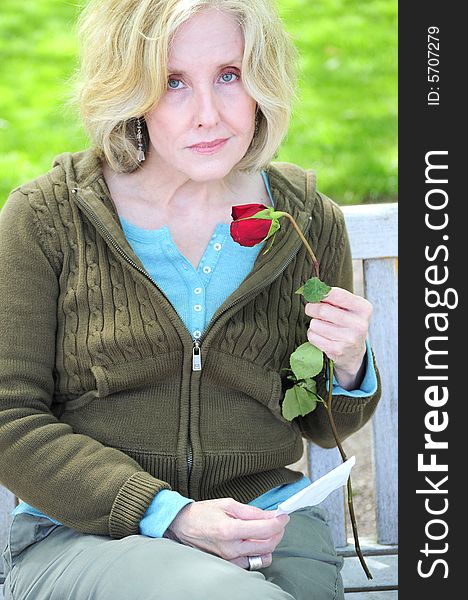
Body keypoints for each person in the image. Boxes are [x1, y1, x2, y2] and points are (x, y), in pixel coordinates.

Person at [0, 1, 381, 598]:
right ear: (130, 91)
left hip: (267, 528)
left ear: (262, 79)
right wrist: (172, 515)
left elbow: (325, 424)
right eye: (173, 82)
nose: (209, 114)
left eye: (229, 75)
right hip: (91, 538)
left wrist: (350, 363)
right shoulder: (47, 220)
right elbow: (8, 418)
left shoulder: (307, 221)